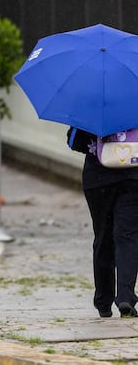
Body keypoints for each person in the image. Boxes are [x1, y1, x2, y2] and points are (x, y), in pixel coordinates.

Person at [68, 127, 138, 318]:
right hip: (133, 178)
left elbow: (73, 141)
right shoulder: (135, 103)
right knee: (128, 236)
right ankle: (126, 296)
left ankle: (103, 301)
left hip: (98, 181)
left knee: (103, 236)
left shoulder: (92, 103)